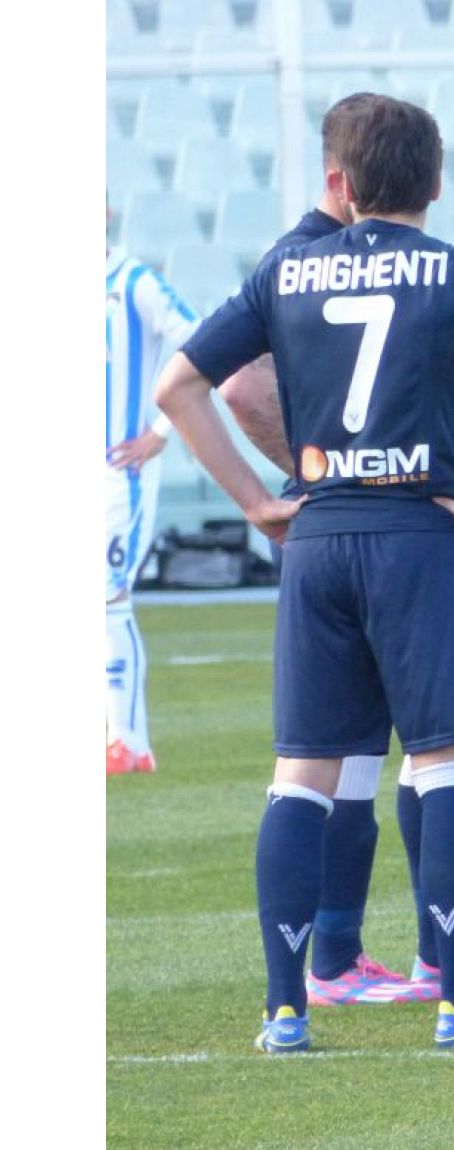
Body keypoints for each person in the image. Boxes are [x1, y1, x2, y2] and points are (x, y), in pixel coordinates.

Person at [154, 94, 454, 1052]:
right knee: (446, 764)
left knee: (302, 774)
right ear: (437, 182)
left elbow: (180, 386)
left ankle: (285, 1012)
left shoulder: (284, 270)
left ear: (340, 182)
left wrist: (258, 503)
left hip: (319, 540)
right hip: (421, 536)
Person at [105, 236, 198, 775]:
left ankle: (130, 744)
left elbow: (204, 347)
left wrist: (162, 429)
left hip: (119, 473)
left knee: (108, 596)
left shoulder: (134, 283)